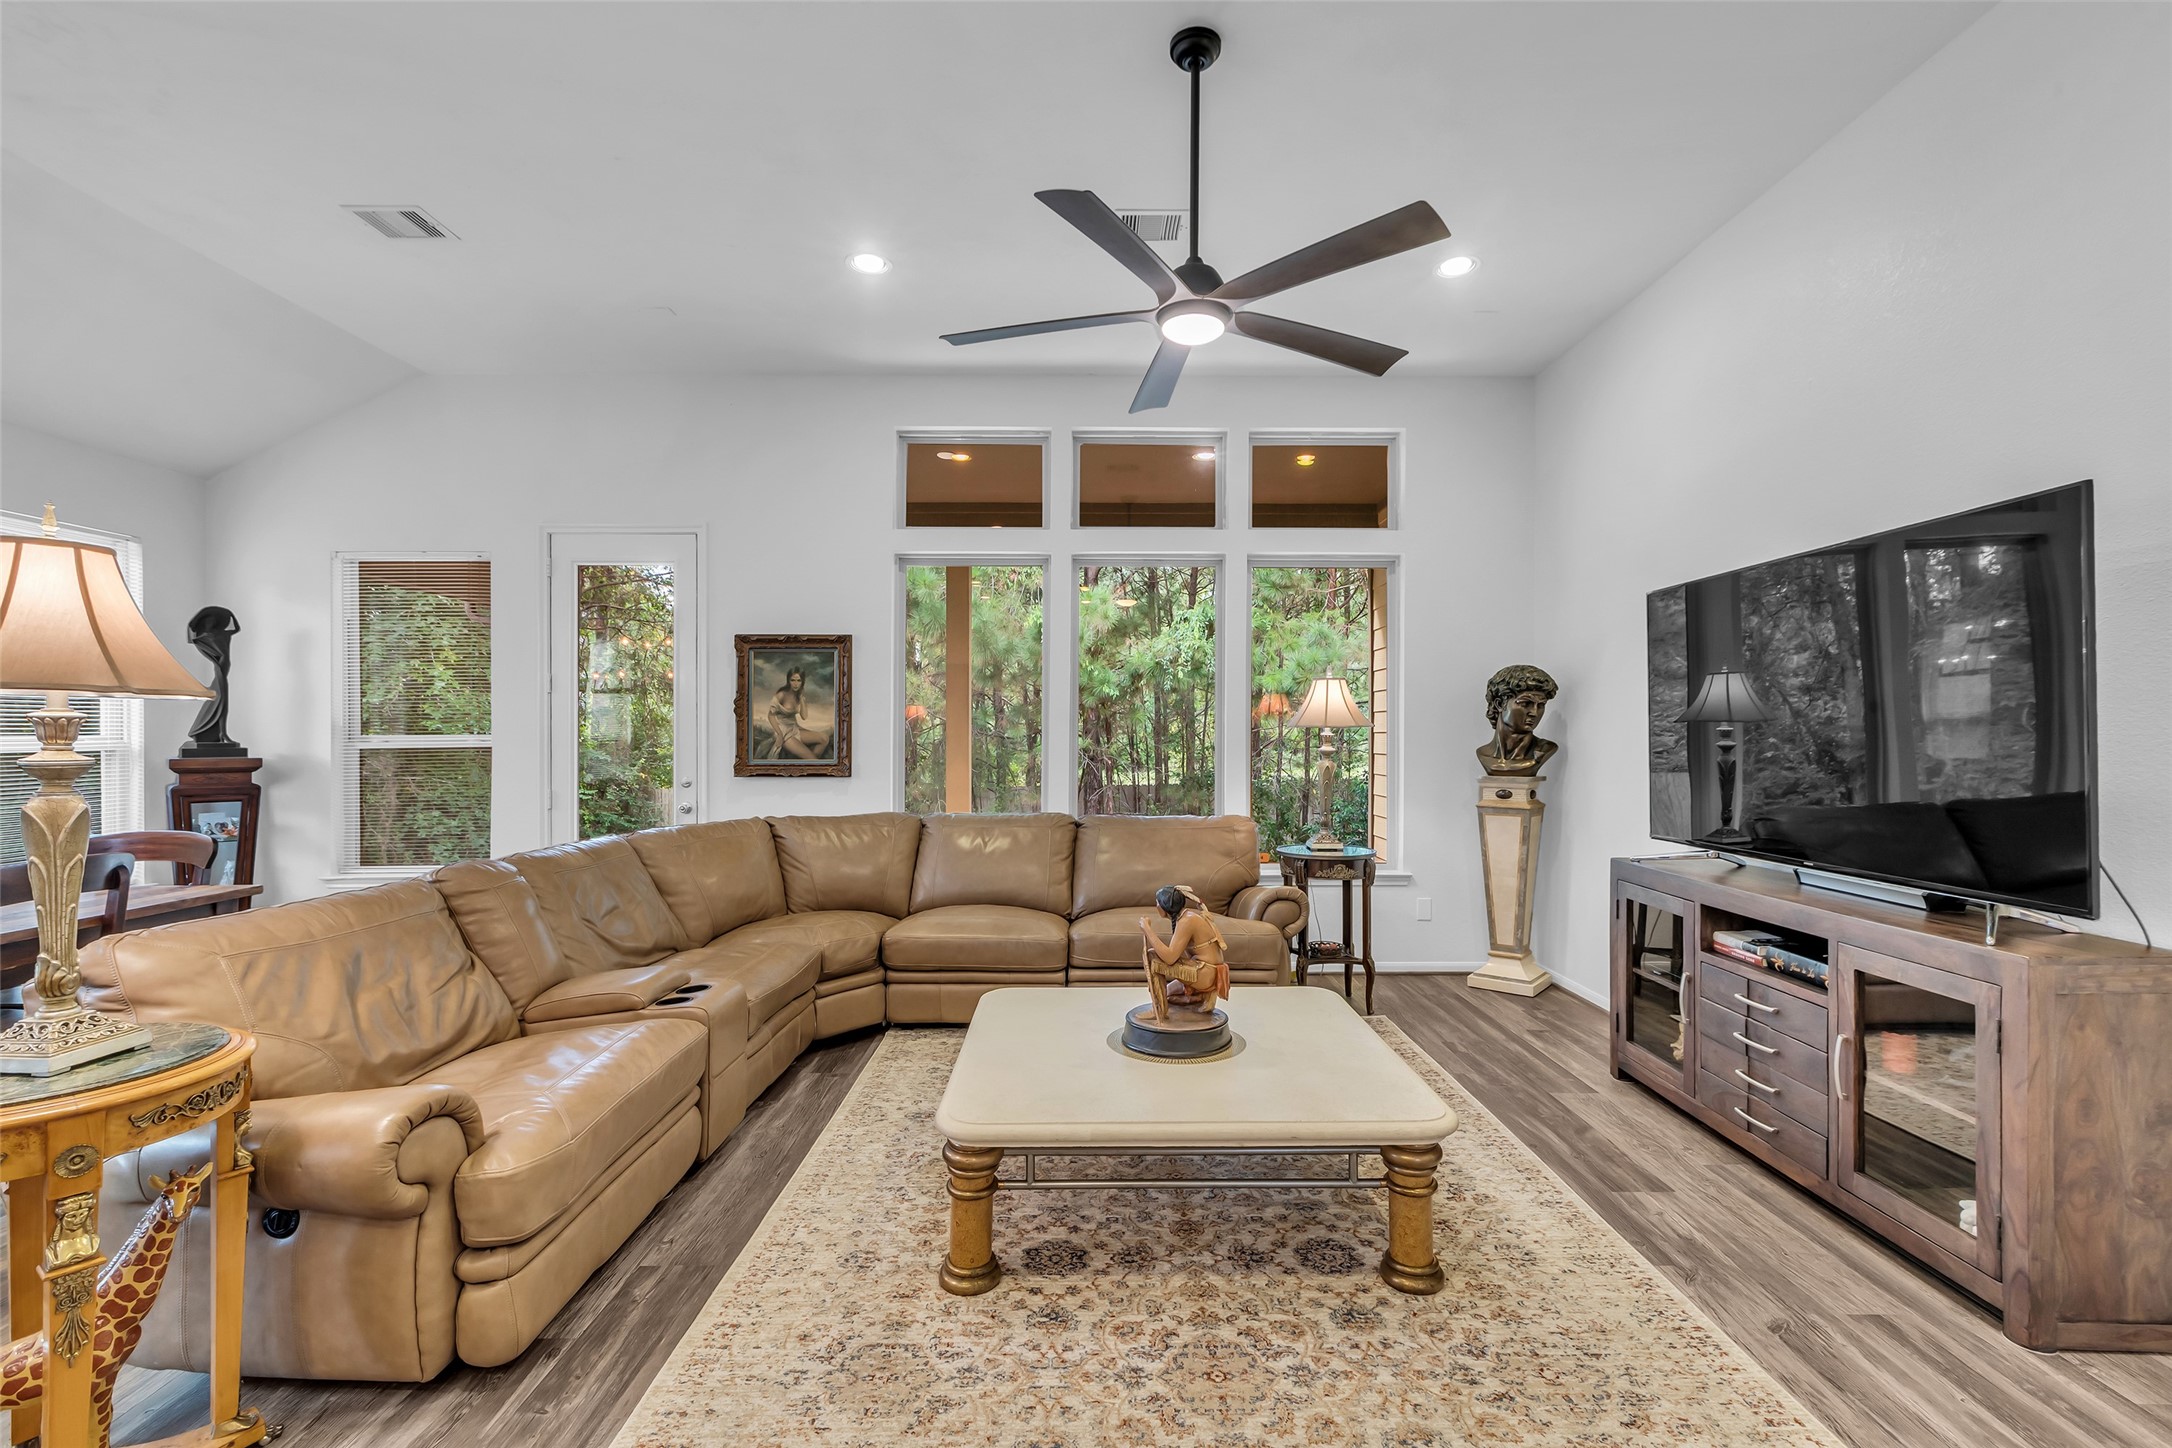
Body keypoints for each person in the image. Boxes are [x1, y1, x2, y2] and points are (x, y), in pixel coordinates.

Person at [1138, 884, 1231, 1022]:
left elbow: (1170, 958)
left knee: (1153, 956)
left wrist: (1147, 930)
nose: (1156, 905)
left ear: (1165, 905)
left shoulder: (1187, 920)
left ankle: (1158, 1010)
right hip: (1204, 970)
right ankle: (1197, 999)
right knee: (1168, 994)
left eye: (1157, 902)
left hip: (1205, 972)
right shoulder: (1186, 916)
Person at [1475, 663, 1559, 776]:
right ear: (1500, 704)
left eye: (1540, 705)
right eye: (1525, 703)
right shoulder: (1483, 754)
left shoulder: (1544, 750)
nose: (1534, 712)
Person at [763, 667, 834, 760]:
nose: (796, 684)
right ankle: (812, 761)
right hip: (783, 732)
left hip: (794, 729)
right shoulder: (782, 694)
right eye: (793, 680)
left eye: (798, 680)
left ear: (802, 682)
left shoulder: (798, 696)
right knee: (812, 759)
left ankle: (810, 765)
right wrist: (779, 734)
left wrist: (801, 699)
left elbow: (804, 716)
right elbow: (770, 716)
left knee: (824, 738)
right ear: (788, 681)